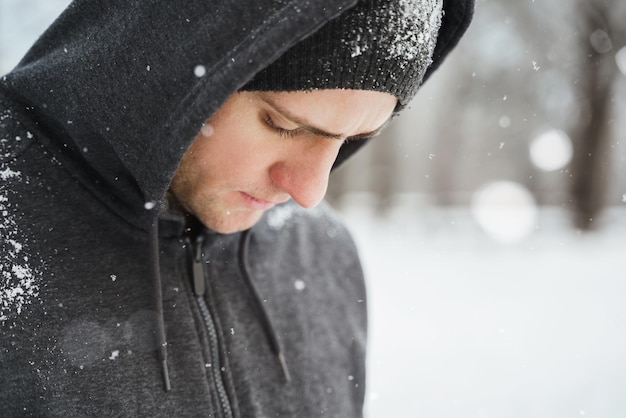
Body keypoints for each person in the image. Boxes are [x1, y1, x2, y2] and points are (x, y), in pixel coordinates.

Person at [0, 0, 473, 416]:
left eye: (351, 139)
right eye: (283, 125)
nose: (310, 192)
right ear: (173, 58)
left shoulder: (323, 254)